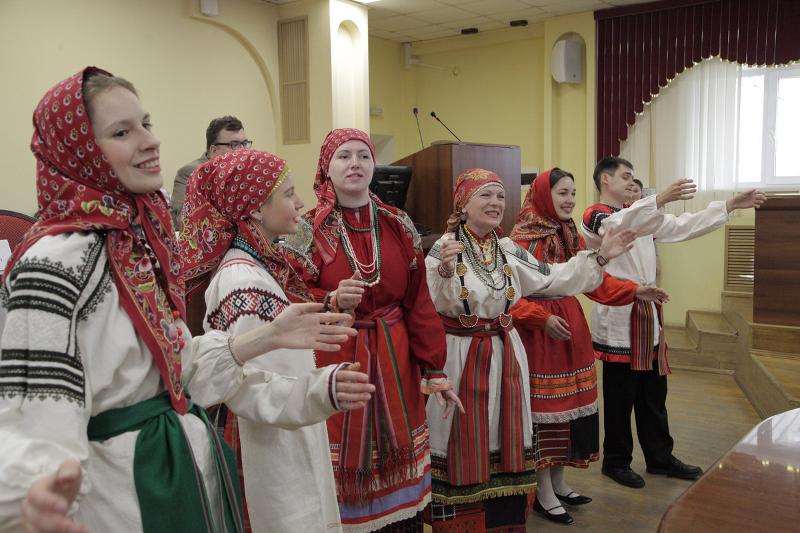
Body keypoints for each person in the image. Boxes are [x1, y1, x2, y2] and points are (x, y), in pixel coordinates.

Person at [0, 67, 371, 533]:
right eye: (121, 132)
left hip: (176, 474)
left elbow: (176, 372)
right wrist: (35, 494)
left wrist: (269, 339)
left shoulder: (133, 246)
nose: (149, 141)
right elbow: (33, 409)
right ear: (79, 153)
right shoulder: (54, 262)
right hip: (119, 495)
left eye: (146, 124)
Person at [425, 168, 637, 532]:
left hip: (505, 355)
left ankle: (503, 522)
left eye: (500, 196)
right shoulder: (444, 248)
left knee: (505, 434)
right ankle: (461, 522)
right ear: (463, 203)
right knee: (463, 434)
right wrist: (443, 271)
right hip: (461, 356)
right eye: (485, 195)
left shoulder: (506, 249)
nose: (495, 203)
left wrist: (600, 258)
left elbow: (551, 277)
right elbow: (428, 301)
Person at [180, 149, 373, 533]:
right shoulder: (242, 279)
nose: (300, 202)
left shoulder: (260, 265)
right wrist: (323, 389)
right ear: (255, 209)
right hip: (267, 442)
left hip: (283, 424)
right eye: (288, 193)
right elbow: (251, 386)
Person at [286, 128, 462, 532]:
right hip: (336, 355)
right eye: (344, 156)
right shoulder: (307, 229)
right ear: (326, 168)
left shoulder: (398, 224)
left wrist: (434, 368)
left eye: (364, 156)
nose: (355, 164)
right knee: (343, 457)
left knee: (398, 456)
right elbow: (289, 292)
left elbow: (418, 301)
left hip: (396, 357)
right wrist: (330, 299)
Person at [582, 157, 766, 489]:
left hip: (649, 317)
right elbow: (615, 226)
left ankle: (660, 457)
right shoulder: (595, 215)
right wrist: (658, 199)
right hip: (620, 318)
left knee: (654, 394)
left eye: (633, 177)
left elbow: (683, 225)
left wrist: (727, 205)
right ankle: (616, 461)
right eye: (625, 176)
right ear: (605, 180)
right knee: (621, 397)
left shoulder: (641, 216)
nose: (631, 182)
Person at [508, 168, 668, 525]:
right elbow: (508, 295)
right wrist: (540, 318)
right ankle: (541, 490)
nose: (569, 200)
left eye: (572, 193)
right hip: (540, 335)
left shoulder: (569, 234)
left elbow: (593, 279)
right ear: (543, 195)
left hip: (568, 327)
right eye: (562, 193)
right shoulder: (521, 239)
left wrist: (634, 291)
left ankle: (558, 482)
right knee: (545, 413)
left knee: (570, 410)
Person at [170, 116, 251, 227]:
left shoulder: (248, 172)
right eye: (234, 145)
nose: (242, 151)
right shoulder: (190, 173)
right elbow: (184, 220)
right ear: (214, 150)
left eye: (245, 144)